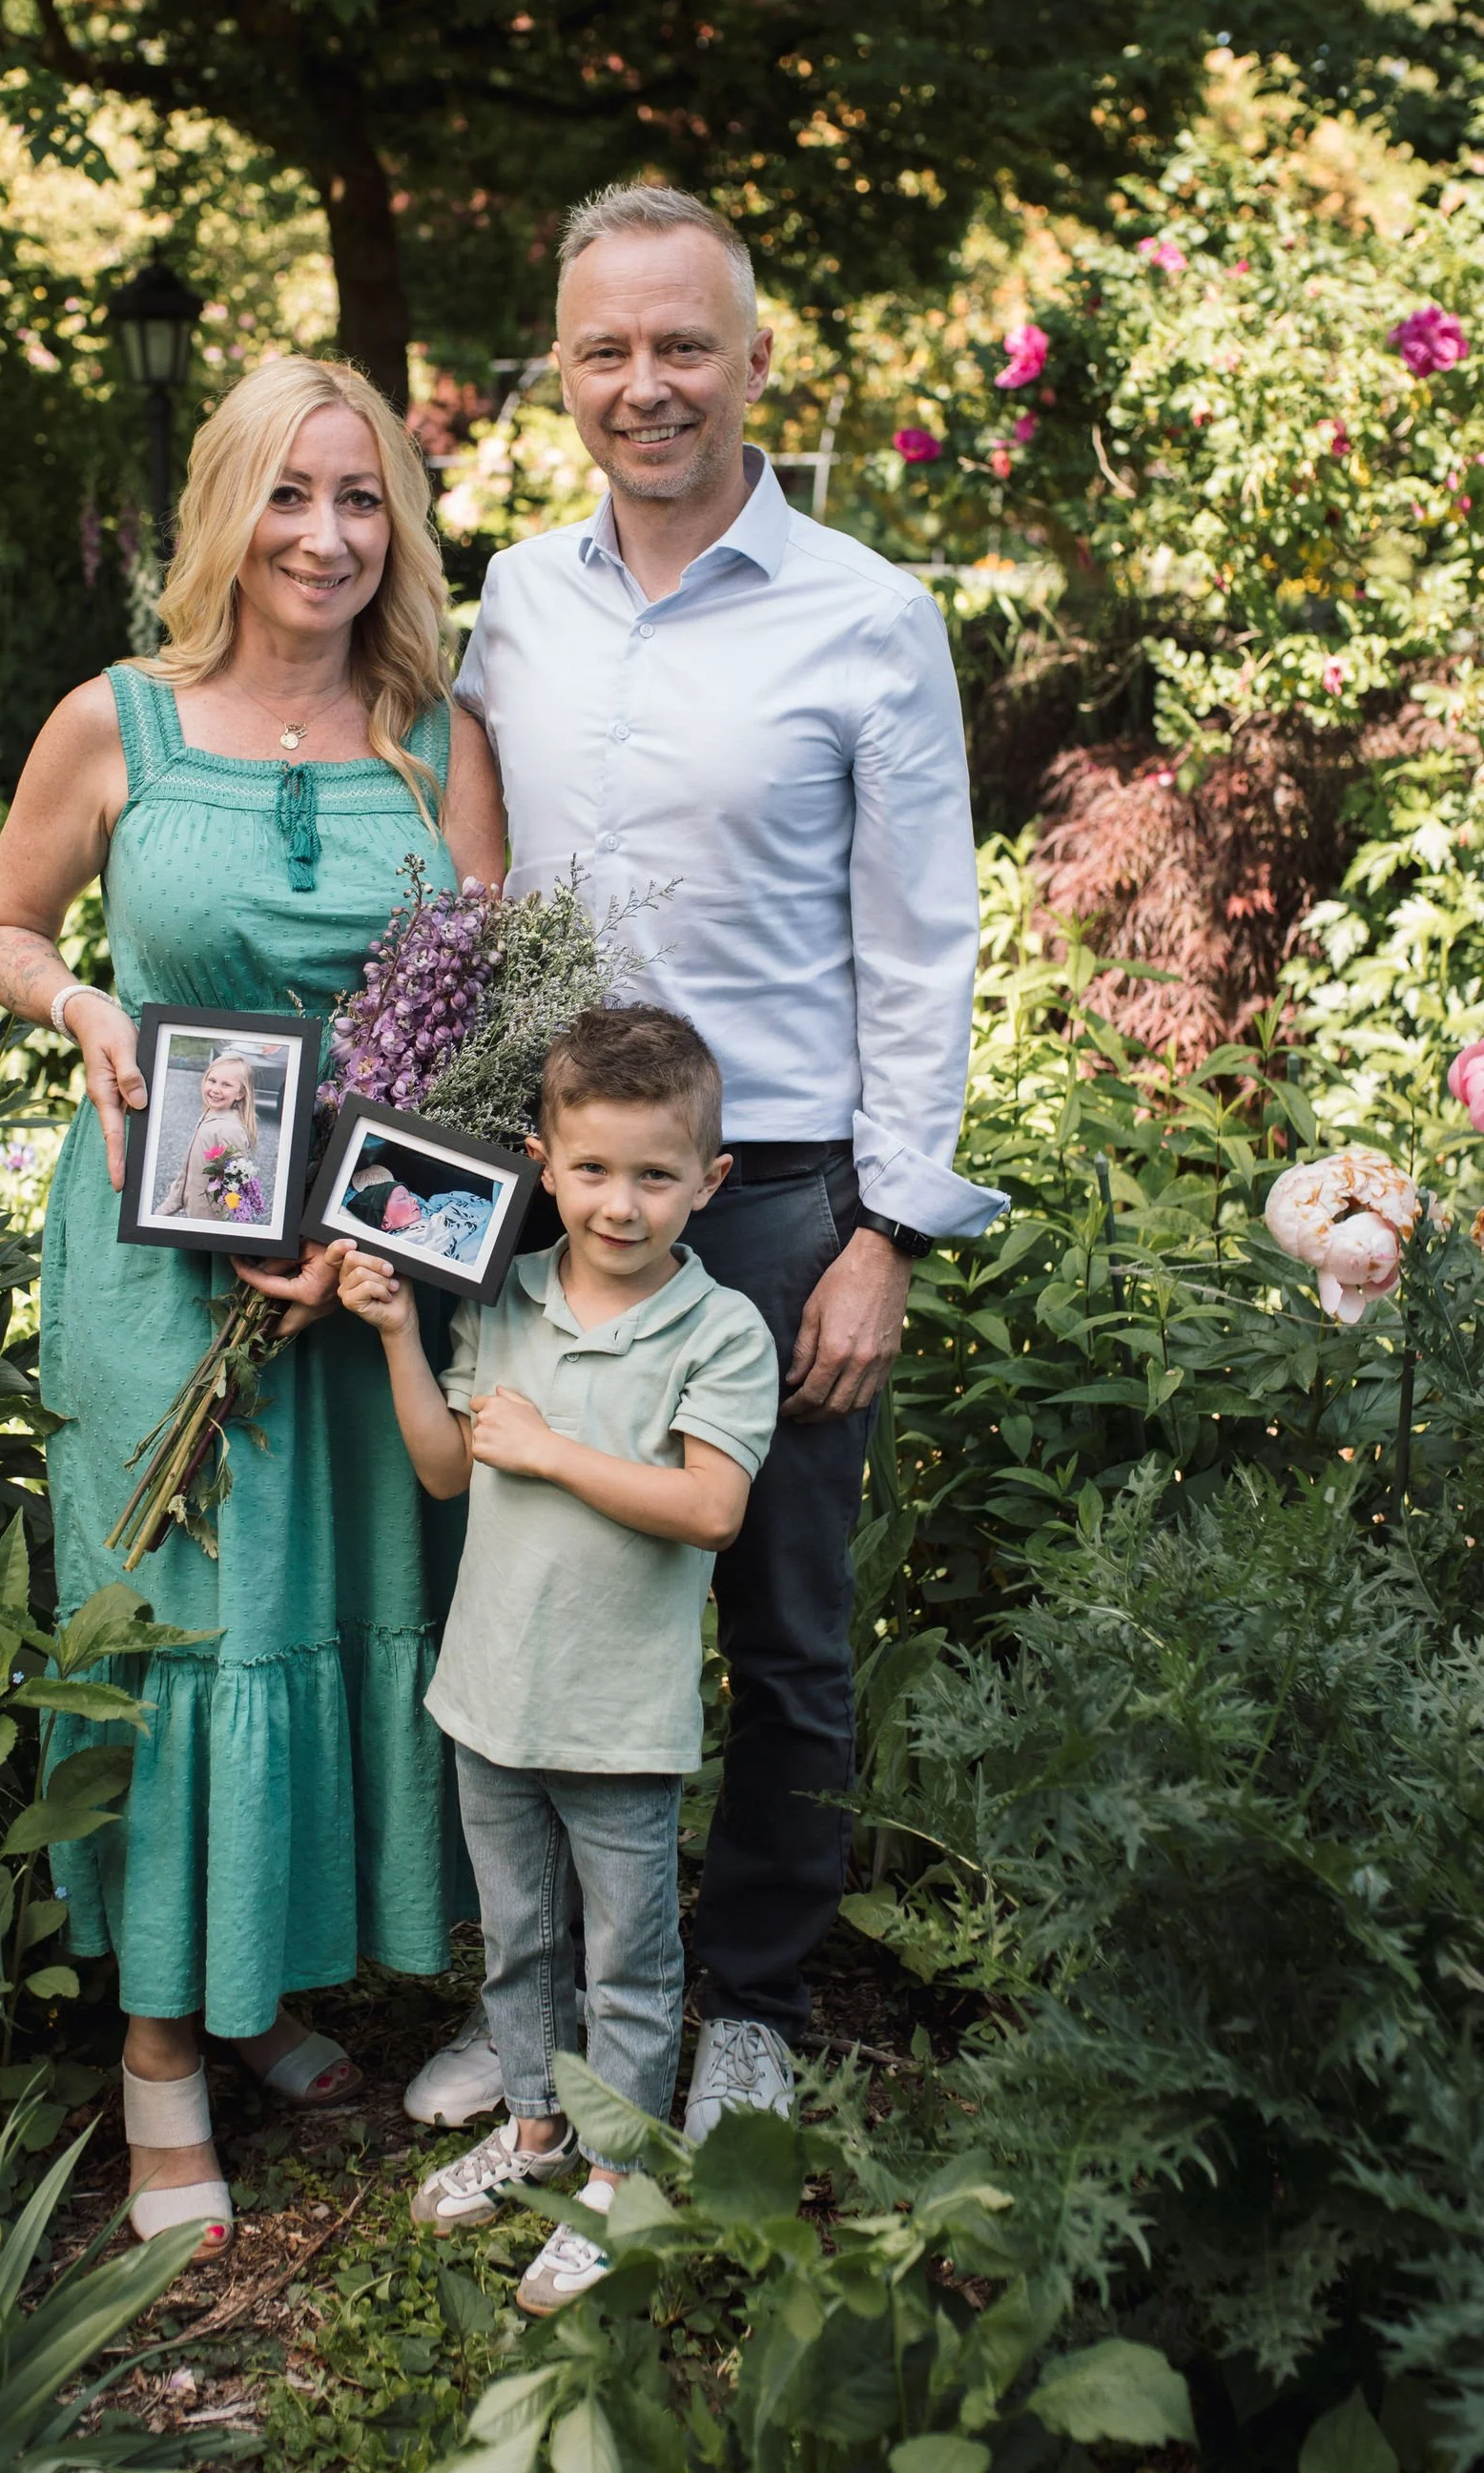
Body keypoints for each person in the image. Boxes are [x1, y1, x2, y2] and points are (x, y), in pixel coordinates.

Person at [409, 181, 1004, 2142]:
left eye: (683, 346)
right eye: (606, 350)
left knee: (783, 1626)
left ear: (755, 363)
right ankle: (541, 2012)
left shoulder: (868, 617)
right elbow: (464, 843)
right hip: (540, 1189)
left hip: (767, 1204)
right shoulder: (516, 597)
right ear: (560, 372)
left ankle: (743, 2000)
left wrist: (884, 1233)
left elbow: (923, 941)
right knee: (525, 1587)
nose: (644, 385)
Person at [0, 353, 506, 2248]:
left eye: (363, 500)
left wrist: (370, 1238)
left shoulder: (437, 741)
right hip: (149, 1251)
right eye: (292, 495)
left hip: (353, 1262)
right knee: (180, 1621)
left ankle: (257, 1981)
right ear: (225, 513)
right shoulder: (117, 723)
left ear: (399, 524)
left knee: (330, 1602)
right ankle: (158, 2055)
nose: (329, 537)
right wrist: (87, 1009)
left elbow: (481, 1029)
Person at [340, 1007, 778, 2311]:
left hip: (617, 1720)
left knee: (628, 1967)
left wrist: (548, 1453)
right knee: (522, 1948)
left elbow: (710, 1510)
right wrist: (397, 1338)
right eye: (592, 1171)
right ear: (542, 1165)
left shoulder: (722, 1334)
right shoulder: (511, 1296)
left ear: (711, 1181)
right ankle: (534, 2128)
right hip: (490, 1697)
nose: (622, 1204)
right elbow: (441, 1466)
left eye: (656, 1175)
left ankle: (619, 2178)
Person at [156, 1048, 265, 1221]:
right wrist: (174, 1199)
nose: (215, 1089)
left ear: (240, 1093)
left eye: (226, 1085)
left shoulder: (231, 1129)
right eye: (212, 1080)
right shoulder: (210, 1113)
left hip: (207, 1209)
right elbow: (191, 1164)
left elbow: (235, 1176)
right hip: (189, 1195)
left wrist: (231, 1207)